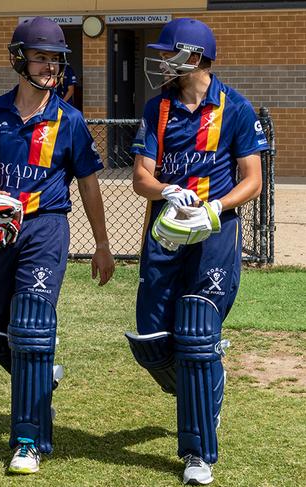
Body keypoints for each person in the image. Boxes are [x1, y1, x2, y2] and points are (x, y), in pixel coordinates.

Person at [0, 17, 115, 475]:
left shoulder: (68, 120)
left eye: (56, 59)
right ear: (19, 59)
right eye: (42, 57)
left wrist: (102, 244)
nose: (51, 66)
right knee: (1, 332)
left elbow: (89, 185)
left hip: (47, 228)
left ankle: (28, 441)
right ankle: (42, 372)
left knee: (31, 326)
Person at [127, 18, 269, 485]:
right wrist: (167, 190)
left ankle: (197, 454)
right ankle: (206, 385)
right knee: (151, 342)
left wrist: (214, 208)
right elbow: (140, 179)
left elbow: (252, 180)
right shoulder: (156, 108)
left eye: (170, 52)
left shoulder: (237, 108)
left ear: (195, 57)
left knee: (194, 333)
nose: (162, 60)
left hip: (214, 234)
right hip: (164, 234)